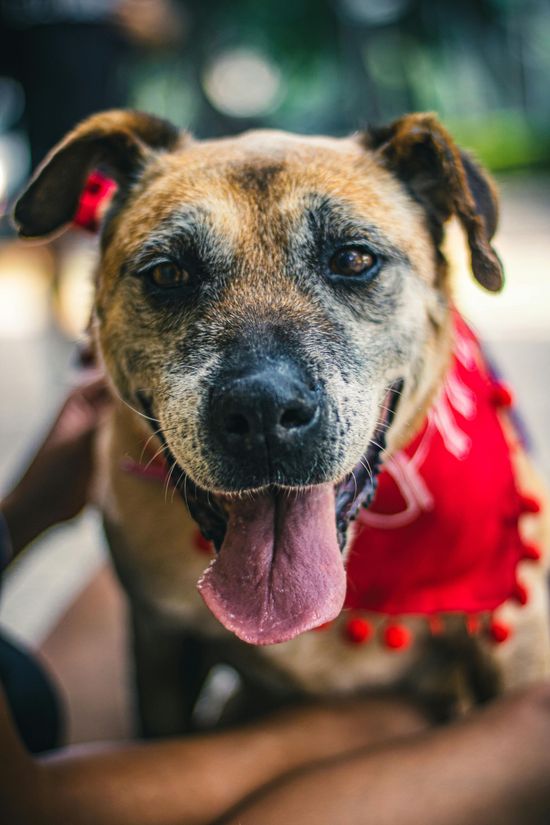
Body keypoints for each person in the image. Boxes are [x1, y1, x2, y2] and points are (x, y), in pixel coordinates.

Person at [1, 374, 550, 824]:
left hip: (24, 704)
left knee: (128, 575)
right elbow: (25, 807)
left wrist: (20, 515)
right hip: (33, 788)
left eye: (354, 263)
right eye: (169, 278)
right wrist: (352, 732)